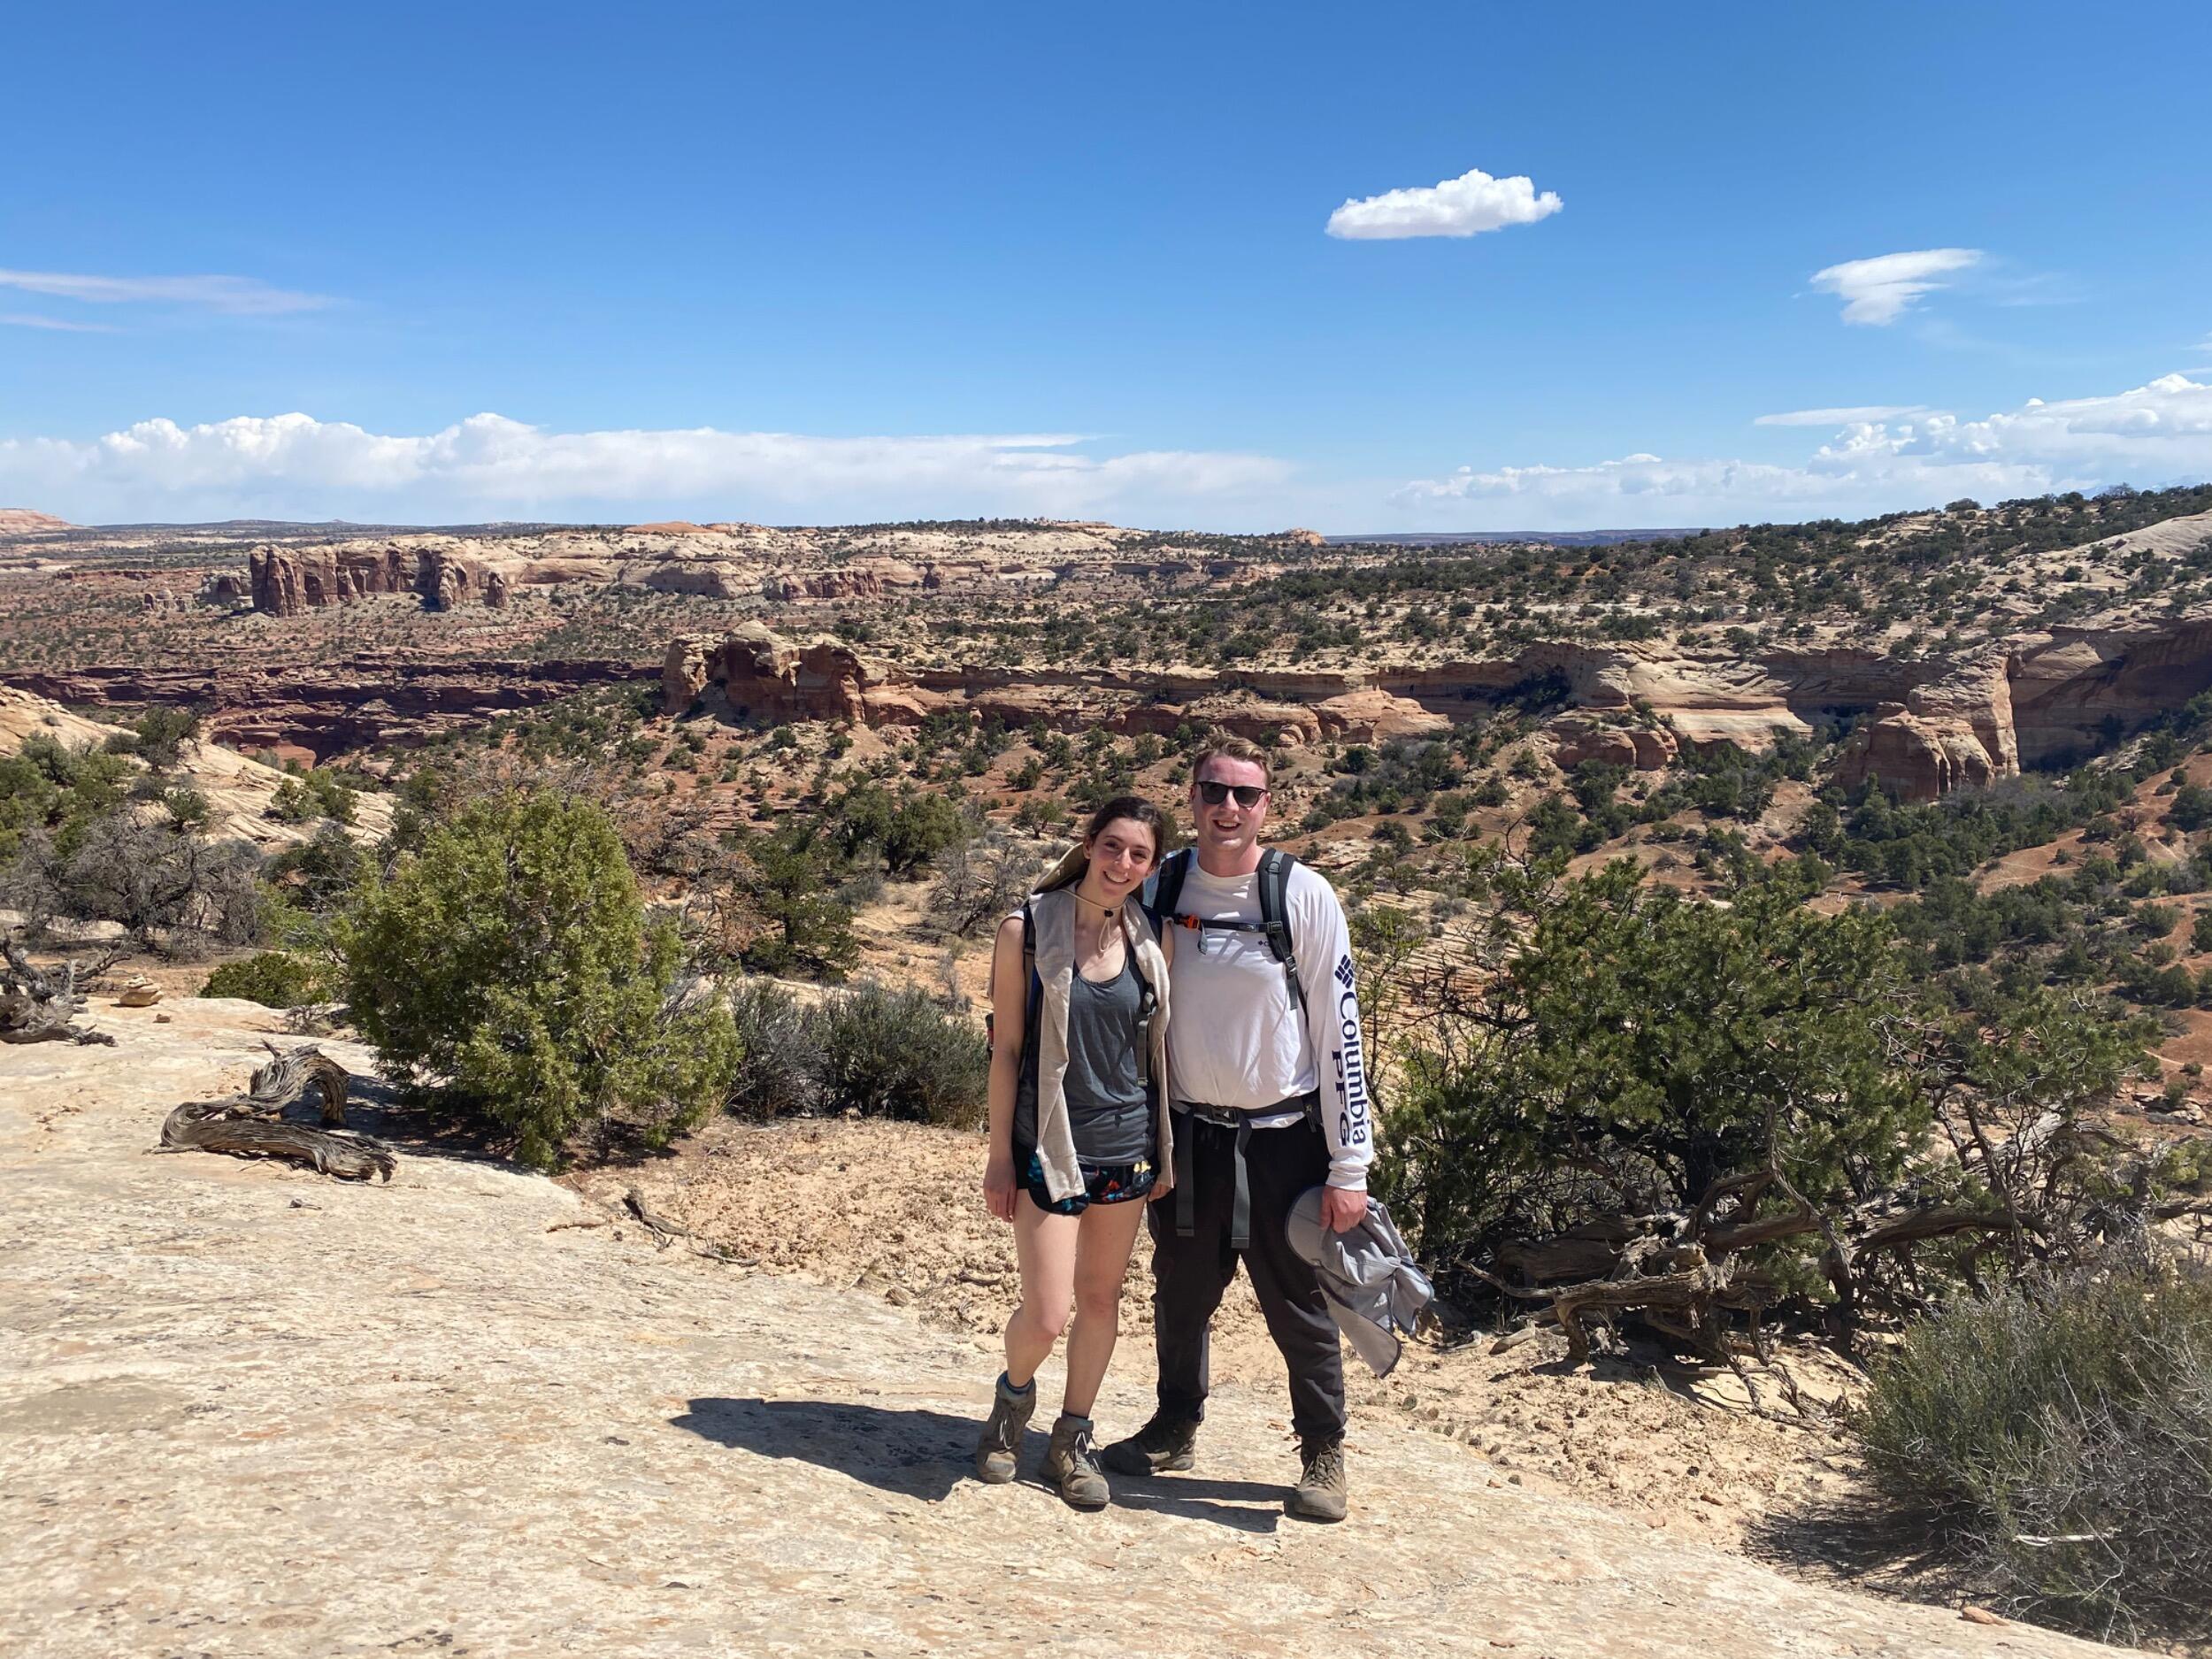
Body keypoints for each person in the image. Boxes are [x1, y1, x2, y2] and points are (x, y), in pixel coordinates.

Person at [1100, 735, 1372, 1523]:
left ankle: (1322, 1450)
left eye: (1244, 795)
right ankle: (1175, 1423)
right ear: (1191, 797)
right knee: (1180, 1292)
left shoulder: (1301, 895)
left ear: (1267, 806)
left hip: (1285, 1140)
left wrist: (1350, 1164)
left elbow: (1341, 1032)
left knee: (1297, 1303)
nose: (1228, 808)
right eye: (1214, 791)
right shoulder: (1162, 883)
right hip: (1189, 1136)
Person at [973, 795, 1178, 1509]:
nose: (1123, 863)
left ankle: (1072, 1438)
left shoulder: (1151, 939)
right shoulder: (1027, 930)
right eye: (1113, 846)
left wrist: (1163, 1152)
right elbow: (1006, 1050)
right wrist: (1000, 1155)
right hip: (1050, 1144)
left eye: (1139, 854)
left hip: (1126, 1147)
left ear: (1152, 866)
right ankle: (1012, 1402)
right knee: (1046, 1312)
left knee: (1099, 1298)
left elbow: (1153, 1052)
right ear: (1088, 844)